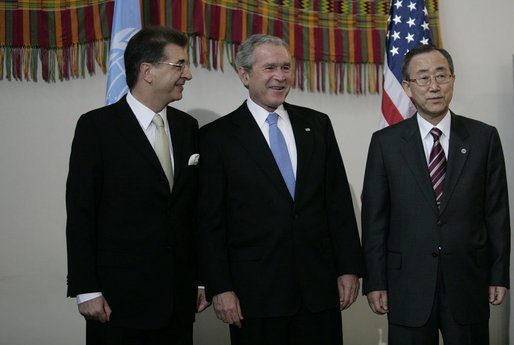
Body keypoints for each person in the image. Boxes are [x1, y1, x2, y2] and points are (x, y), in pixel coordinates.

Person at [197, 34, 364, 345]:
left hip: (319, 290)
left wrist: (349, 268)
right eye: (270, 67)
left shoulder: (317, 124)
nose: (280, 76)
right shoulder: (217, 137)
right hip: (255, 296)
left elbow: (337, 202)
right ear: (244, 75)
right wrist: (220, 287)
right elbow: (210, 221)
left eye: (286, 67)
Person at [66, 26, 208, 345]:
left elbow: (194, 212)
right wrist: (86, 289)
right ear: (147, 71)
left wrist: (201, 280)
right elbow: (81, 213)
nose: (188, 74)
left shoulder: (188, 128)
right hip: (118, 305)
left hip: (179, 303)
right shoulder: (96, 128)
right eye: (179, 65)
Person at [362, 44, 510, 345]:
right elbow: (375, 219)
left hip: (468, 281)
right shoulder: (386, 143)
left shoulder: (484, 138)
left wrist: (499, 275)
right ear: (407, 86)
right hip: (408, 285)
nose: (434, 86)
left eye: (441, 75)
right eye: (423, 78)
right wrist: (375, 281)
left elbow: (497, 214)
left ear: (453, 80)